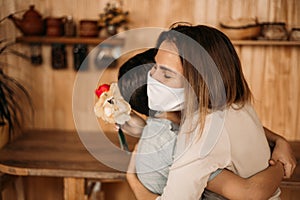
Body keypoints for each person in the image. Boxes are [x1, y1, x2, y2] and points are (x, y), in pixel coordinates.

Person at [117, 46, 296, 199]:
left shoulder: (160, 127)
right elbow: (250, 193)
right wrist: (280, 164)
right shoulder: (182, 143)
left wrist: (279, 141)